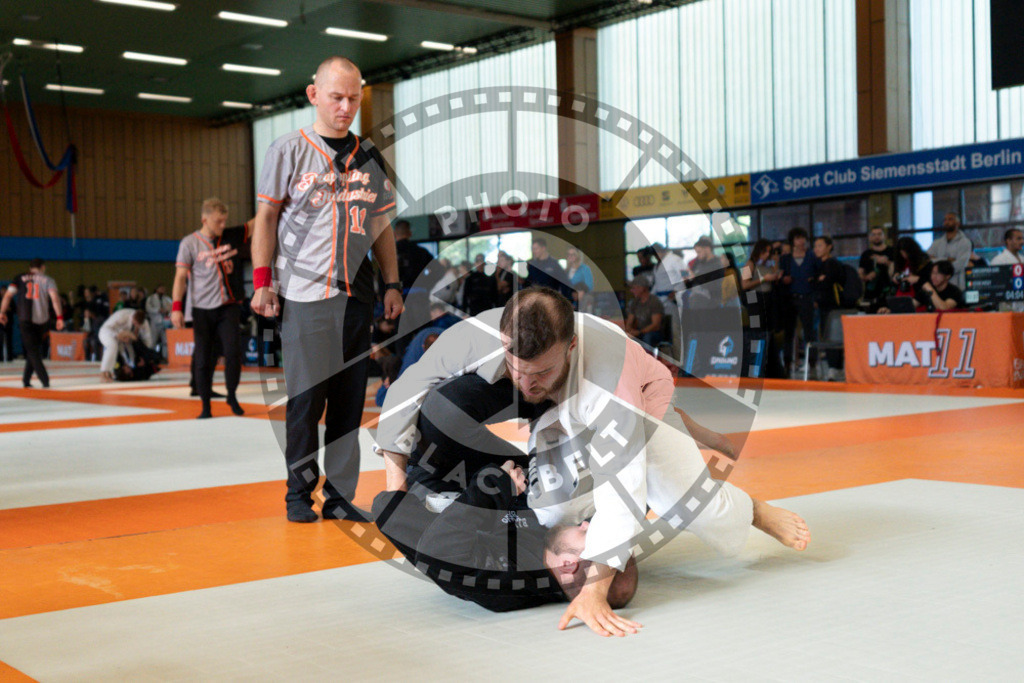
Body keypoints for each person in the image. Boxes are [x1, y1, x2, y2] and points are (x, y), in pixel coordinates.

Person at [377, 288, 810, 637]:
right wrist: (396, 483)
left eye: (540, 372)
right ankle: (686, 429)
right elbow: (410, 385)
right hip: (555, 411)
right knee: (543, 502)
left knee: (685, 502)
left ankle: (752, 509)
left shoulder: (607, 381)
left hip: (636, 397)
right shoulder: (484, 334)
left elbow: (623, 483)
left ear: (571, 346)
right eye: (518, 368)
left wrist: (595, 587)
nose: (527, 383)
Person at [250, 56, 403, 524]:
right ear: (314, 94)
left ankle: (338, 496)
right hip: (304, 296)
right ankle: (299, 496)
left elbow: (381, 226)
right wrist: (262, 282)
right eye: (336, 96)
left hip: (357, 297)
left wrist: (393, 282)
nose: (346, 106)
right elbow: (267, 219)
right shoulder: (287, 151)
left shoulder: (369, 157)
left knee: (348, 403)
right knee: (305, 401)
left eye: (354, 98)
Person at [171, 198, 245, 420]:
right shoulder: (189, 244)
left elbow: (255, 222)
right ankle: (205, 405)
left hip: (227, 306)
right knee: (203, 357)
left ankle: (231, 394)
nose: (222, 225)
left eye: (224, 221)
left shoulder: (229, 237)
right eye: (217, 221)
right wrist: (176, 307)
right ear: (205, 219)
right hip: (202, 309)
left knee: (233, 352)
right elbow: (180, 277)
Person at [0, 258, 64, 388]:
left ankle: (35, 380)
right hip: (42, 320)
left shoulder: (19, 278)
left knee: (33, 351)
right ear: (43, 267)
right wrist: (59, 317)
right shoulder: (48, 280)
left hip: (25, 319)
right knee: (34, 350)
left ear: (30, 268)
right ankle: (36, 380)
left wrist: (2, 312)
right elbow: (55, 299)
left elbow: (7, 296)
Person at [741, 240, 785, 378]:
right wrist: (763, 279)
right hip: (755, 300)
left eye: (769, 252)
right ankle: (755, 366)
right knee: (757, 332)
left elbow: (774, 275)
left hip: (768, 300)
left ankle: (771, 367)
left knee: (769, 333)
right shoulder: (750, 264)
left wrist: (776, 268)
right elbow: (744, 285)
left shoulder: (768, 265)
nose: (767, 255)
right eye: (764, 251)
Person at [779, 228, 820, 369]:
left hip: (807, 297)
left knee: (809, 331)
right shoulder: (785, 258)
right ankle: (787, 362)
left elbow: (818, 275)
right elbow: (780, 277)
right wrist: (784, 279)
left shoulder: (812, 256)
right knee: (789, 332)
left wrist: (813, 285)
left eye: (803, 238)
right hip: (790, 298)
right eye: (798, 238)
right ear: (792, 241)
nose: (801, 241)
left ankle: (812, 362)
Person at [98, 308, 154, 381]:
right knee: (112, 346)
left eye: (138, 325)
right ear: (133, 317)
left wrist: (144, 356)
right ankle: (103, 373)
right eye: (135, 323)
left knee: (122, 351)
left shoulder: (144, 323)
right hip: (107, 331)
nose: (136, 325)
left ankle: (109, 373)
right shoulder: (123, 316)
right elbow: (117, 332)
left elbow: (147, 341)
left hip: (123, 337)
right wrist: (126, 336)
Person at [927, 212, 972, 289]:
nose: (947, 222)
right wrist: (947, 259)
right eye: (945, 220)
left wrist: (939, 269)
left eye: (950, 219)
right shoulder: (937, 243)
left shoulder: (965, 242)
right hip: (938, 287)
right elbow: (928, 260)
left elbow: (961, 264)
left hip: (957, 287)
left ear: (957, 223)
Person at [858, 227, 895, 309]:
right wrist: (866, 277)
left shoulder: (892, 251)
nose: (876, 237)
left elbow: (897, 270)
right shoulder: (866, 254)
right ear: (870, 237)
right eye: (873, 234)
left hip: (888, 292)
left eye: (879, 234)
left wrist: (886, 262)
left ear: (884, 236)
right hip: (871, 293)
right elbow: (860, 273)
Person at [624, 275, 664, 348]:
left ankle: (646, 358)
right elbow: (630, 320)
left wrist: (639, 332)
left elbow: (655, 325)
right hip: (640, 331)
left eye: (633, 288)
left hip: (653, 333)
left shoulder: (654, 301)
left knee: (647, 337)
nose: (631, 291)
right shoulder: (635, 302)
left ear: (642, 288)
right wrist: (628, 330)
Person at [146, 285, 172, 358]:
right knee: (153, 341)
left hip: (165, 322)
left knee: (165, 341)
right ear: (156, 289)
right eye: (160, 289)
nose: (162, 290)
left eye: (163, 289)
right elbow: (148, 308)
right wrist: (158, 310)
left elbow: (172, 308)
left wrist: (167, 311)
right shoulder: (150, 298)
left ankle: (165, 357)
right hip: (155, 322)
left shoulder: (167, 299)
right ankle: (152, 357)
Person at [565, 247, 594, 312]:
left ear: (577, 256)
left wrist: (581, 292)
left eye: (573, 254)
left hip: (582, 295)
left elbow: (589, 285)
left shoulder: (584, 268)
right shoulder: (566, 271)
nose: (570, 256)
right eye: (569, 254)